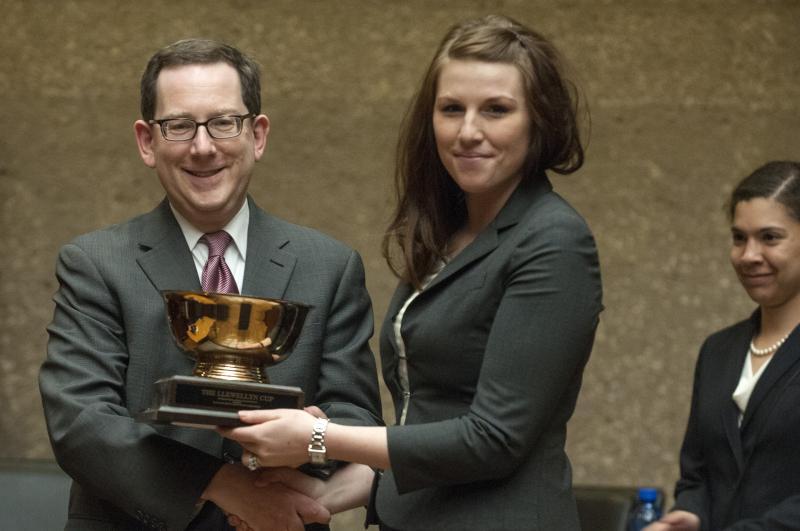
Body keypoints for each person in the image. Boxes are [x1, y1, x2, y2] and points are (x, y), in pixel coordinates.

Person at [220, 14, 603, 531]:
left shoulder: (553, 238)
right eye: (451, 109)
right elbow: (429, 425)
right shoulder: (451, 231)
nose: (469, 132)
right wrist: (324, 491)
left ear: (539, 121)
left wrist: (318, 438)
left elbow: (494, 440)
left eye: (496, 110)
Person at [38, 38, 382, 531]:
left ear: (257, 135)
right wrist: (223, 485)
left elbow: (356, 415)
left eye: (224, 122)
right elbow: (80, 422)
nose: (203, 146)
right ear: (146, 142)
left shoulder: (328, 265)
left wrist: (308, 448)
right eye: (179, 125)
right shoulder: (95, 263)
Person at [645, 161, 800, 531]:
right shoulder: (718, 351)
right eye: (738, 238)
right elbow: (697, 475)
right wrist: (690, 514)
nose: (749, 255)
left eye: (770, 237)